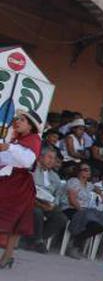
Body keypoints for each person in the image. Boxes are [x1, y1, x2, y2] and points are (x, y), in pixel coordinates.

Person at [0, 110, 43, 268]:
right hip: (7, 182)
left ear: (30, 126)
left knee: (14, 224)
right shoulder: (16, 141)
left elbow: (26, 161)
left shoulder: (33, 140)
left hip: (19, 185)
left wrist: (8, 147)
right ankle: (7, 256)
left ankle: (7, 256)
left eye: (22, 120)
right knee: (11, 222)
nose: (17, 121)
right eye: (16, 119)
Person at [27, 145, 68, 253]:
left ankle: (34, 240)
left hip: (48, 203)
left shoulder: (55, 176)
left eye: (54, 158)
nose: (52, 161)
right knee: (37, 212)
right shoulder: (33, 170)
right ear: (41, 157)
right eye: (49, 157)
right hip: (32, 200)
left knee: (61, 218)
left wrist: (53, 204)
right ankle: (38, 241)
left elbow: (58, 195)